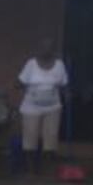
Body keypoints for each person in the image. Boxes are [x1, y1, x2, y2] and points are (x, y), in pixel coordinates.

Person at [16, 35, 69, 171]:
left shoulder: (59, 65)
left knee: (51, 138)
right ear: (39, 48)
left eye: (50, 47)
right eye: (44, 46)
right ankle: (30, 168)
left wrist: (67, 94)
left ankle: (47, 169)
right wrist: (18, 85)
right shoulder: (31, 64)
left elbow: (64, 84)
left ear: (54, 49)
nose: (46, 49)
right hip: (31, 106)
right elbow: (20, 82)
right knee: (30, 136)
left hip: (53, 107)